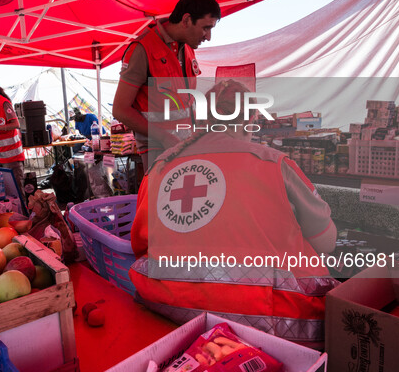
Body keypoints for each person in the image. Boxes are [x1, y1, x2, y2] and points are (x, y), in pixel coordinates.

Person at [128, 80, 339, 344]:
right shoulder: (273, 163)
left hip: (167, 308)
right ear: (250, 119)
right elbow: (326, 241)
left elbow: (140, 245)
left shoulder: (159, 168)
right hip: (275, 322)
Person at [112, 0, 221, 171]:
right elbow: (120, 109)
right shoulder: (142, 49)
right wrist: (162, 137)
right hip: (158, 151)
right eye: (205, 28)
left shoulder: (187, 47)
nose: (208, 37)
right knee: (163, 198)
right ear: (186, 20)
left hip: (186, 145)